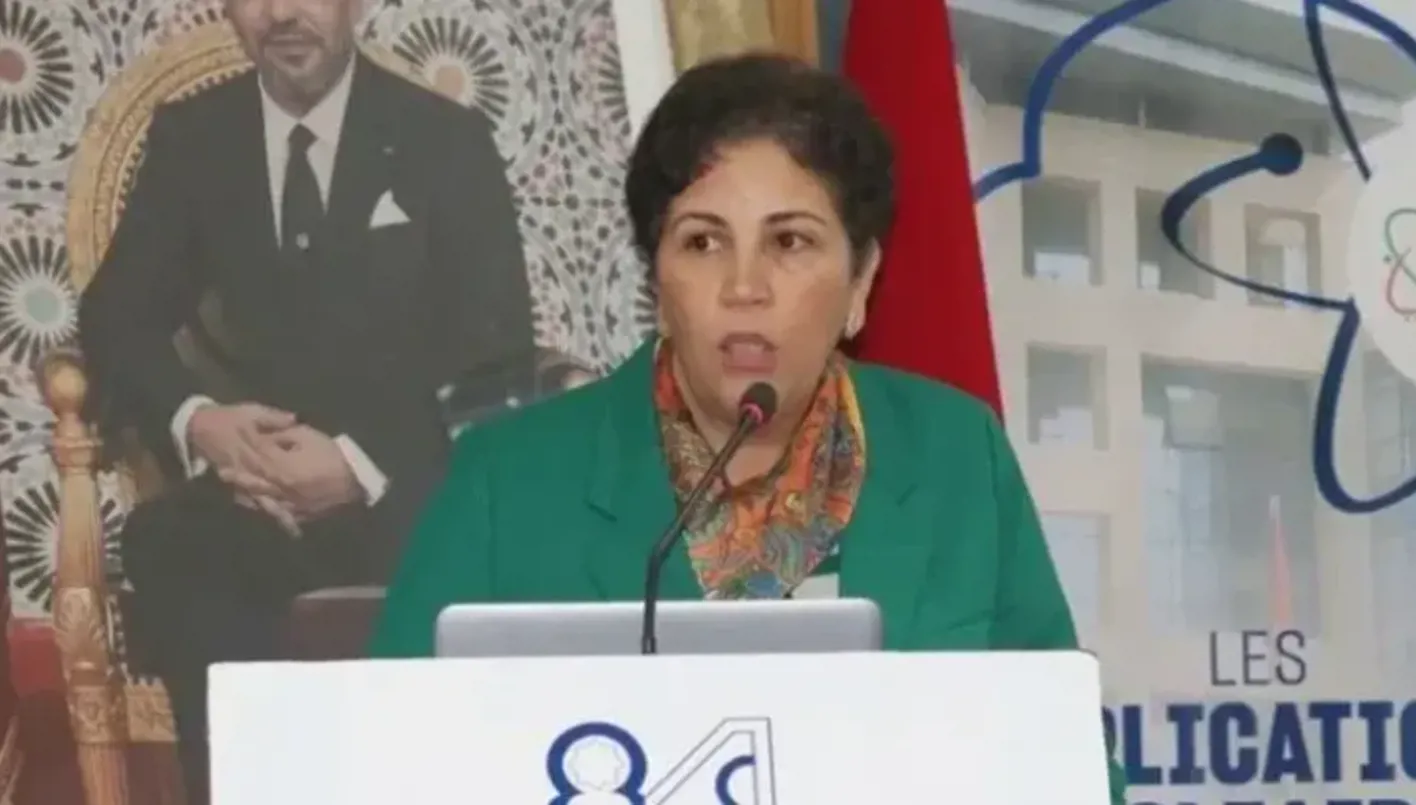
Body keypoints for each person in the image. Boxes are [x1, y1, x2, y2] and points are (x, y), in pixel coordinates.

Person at [368, 53, 1126, 802]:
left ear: (861, 281)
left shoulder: (956, 454)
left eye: (789, 241)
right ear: (658, 282)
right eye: (703, 242)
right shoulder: (507, 482)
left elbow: (1068, 764)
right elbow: (388, 766)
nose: (744, 287)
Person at [77, 0, 535, 800]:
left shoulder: (444, 139)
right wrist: (200, 422)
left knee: (476, 549)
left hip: (405, 490)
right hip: (251, 502)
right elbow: (116, 317)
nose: (284, 14)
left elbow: (494, 355)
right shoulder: (196, 137)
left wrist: (358, 465)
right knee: (173, 547)